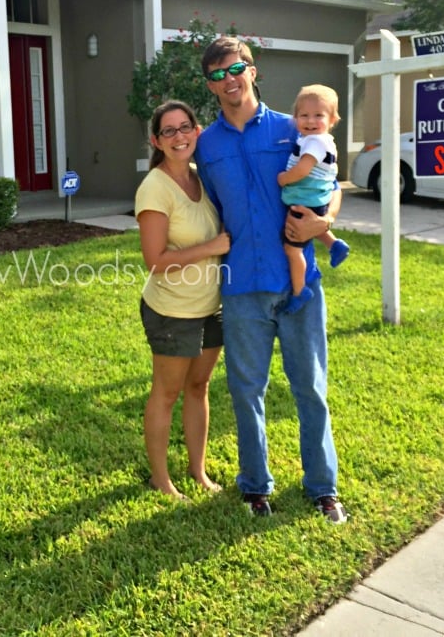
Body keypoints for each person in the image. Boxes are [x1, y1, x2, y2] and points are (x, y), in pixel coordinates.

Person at [194, 37, 348, 523]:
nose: (229, 80)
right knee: (246, 390)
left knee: (310, 388)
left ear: (252, 71)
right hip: (241, 286)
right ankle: (255, 486)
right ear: (210, 84)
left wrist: (323, 225)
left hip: (298, 284)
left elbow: (331, 184)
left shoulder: (297, 126)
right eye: (218, 74)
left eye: (236, 68)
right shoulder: (206, 145)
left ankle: (323, 488)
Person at [135, 100, 231, 500]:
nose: (179, 136)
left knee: (199, 387)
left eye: (185, 127)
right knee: (167, 392)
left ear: (197, 130)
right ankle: (161, 479)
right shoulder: (155, 187)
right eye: (169, 131)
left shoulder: (200, 176)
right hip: (172, 310)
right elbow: (155, 261)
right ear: (156, 140)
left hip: (210, 305)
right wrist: (212, 247)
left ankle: (198, 471)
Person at [276, 84, 350, 314]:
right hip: (316, 199)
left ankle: (299, 291)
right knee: (314, 223)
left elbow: (303, 169)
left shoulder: (315, 142)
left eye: (318, 115)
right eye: (304, 115)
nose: (310, 120)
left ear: (333, 119)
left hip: (305, 198)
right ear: (295, 117)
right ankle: (334, 244)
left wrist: (284, 178)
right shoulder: (321, 140)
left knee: (292, 250)